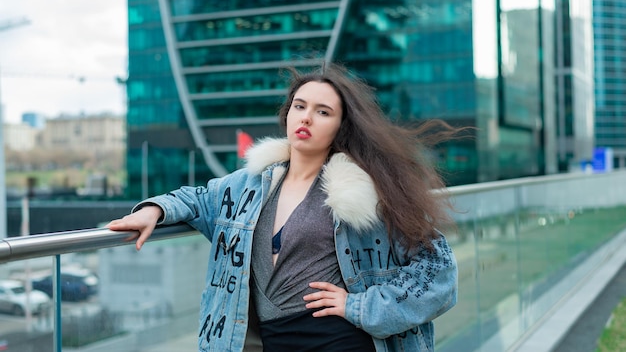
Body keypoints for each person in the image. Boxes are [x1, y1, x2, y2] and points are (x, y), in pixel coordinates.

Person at [107, 62, 459, 352]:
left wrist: (360, 306)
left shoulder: (364, 194)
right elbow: (197, 198)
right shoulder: (248, 184)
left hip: (340, 340)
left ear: (340, 127)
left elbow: (438, 270)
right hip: (273, 342)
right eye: (299, 106)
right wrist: (153, 210)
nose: (306, 118)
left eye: (323, 112)